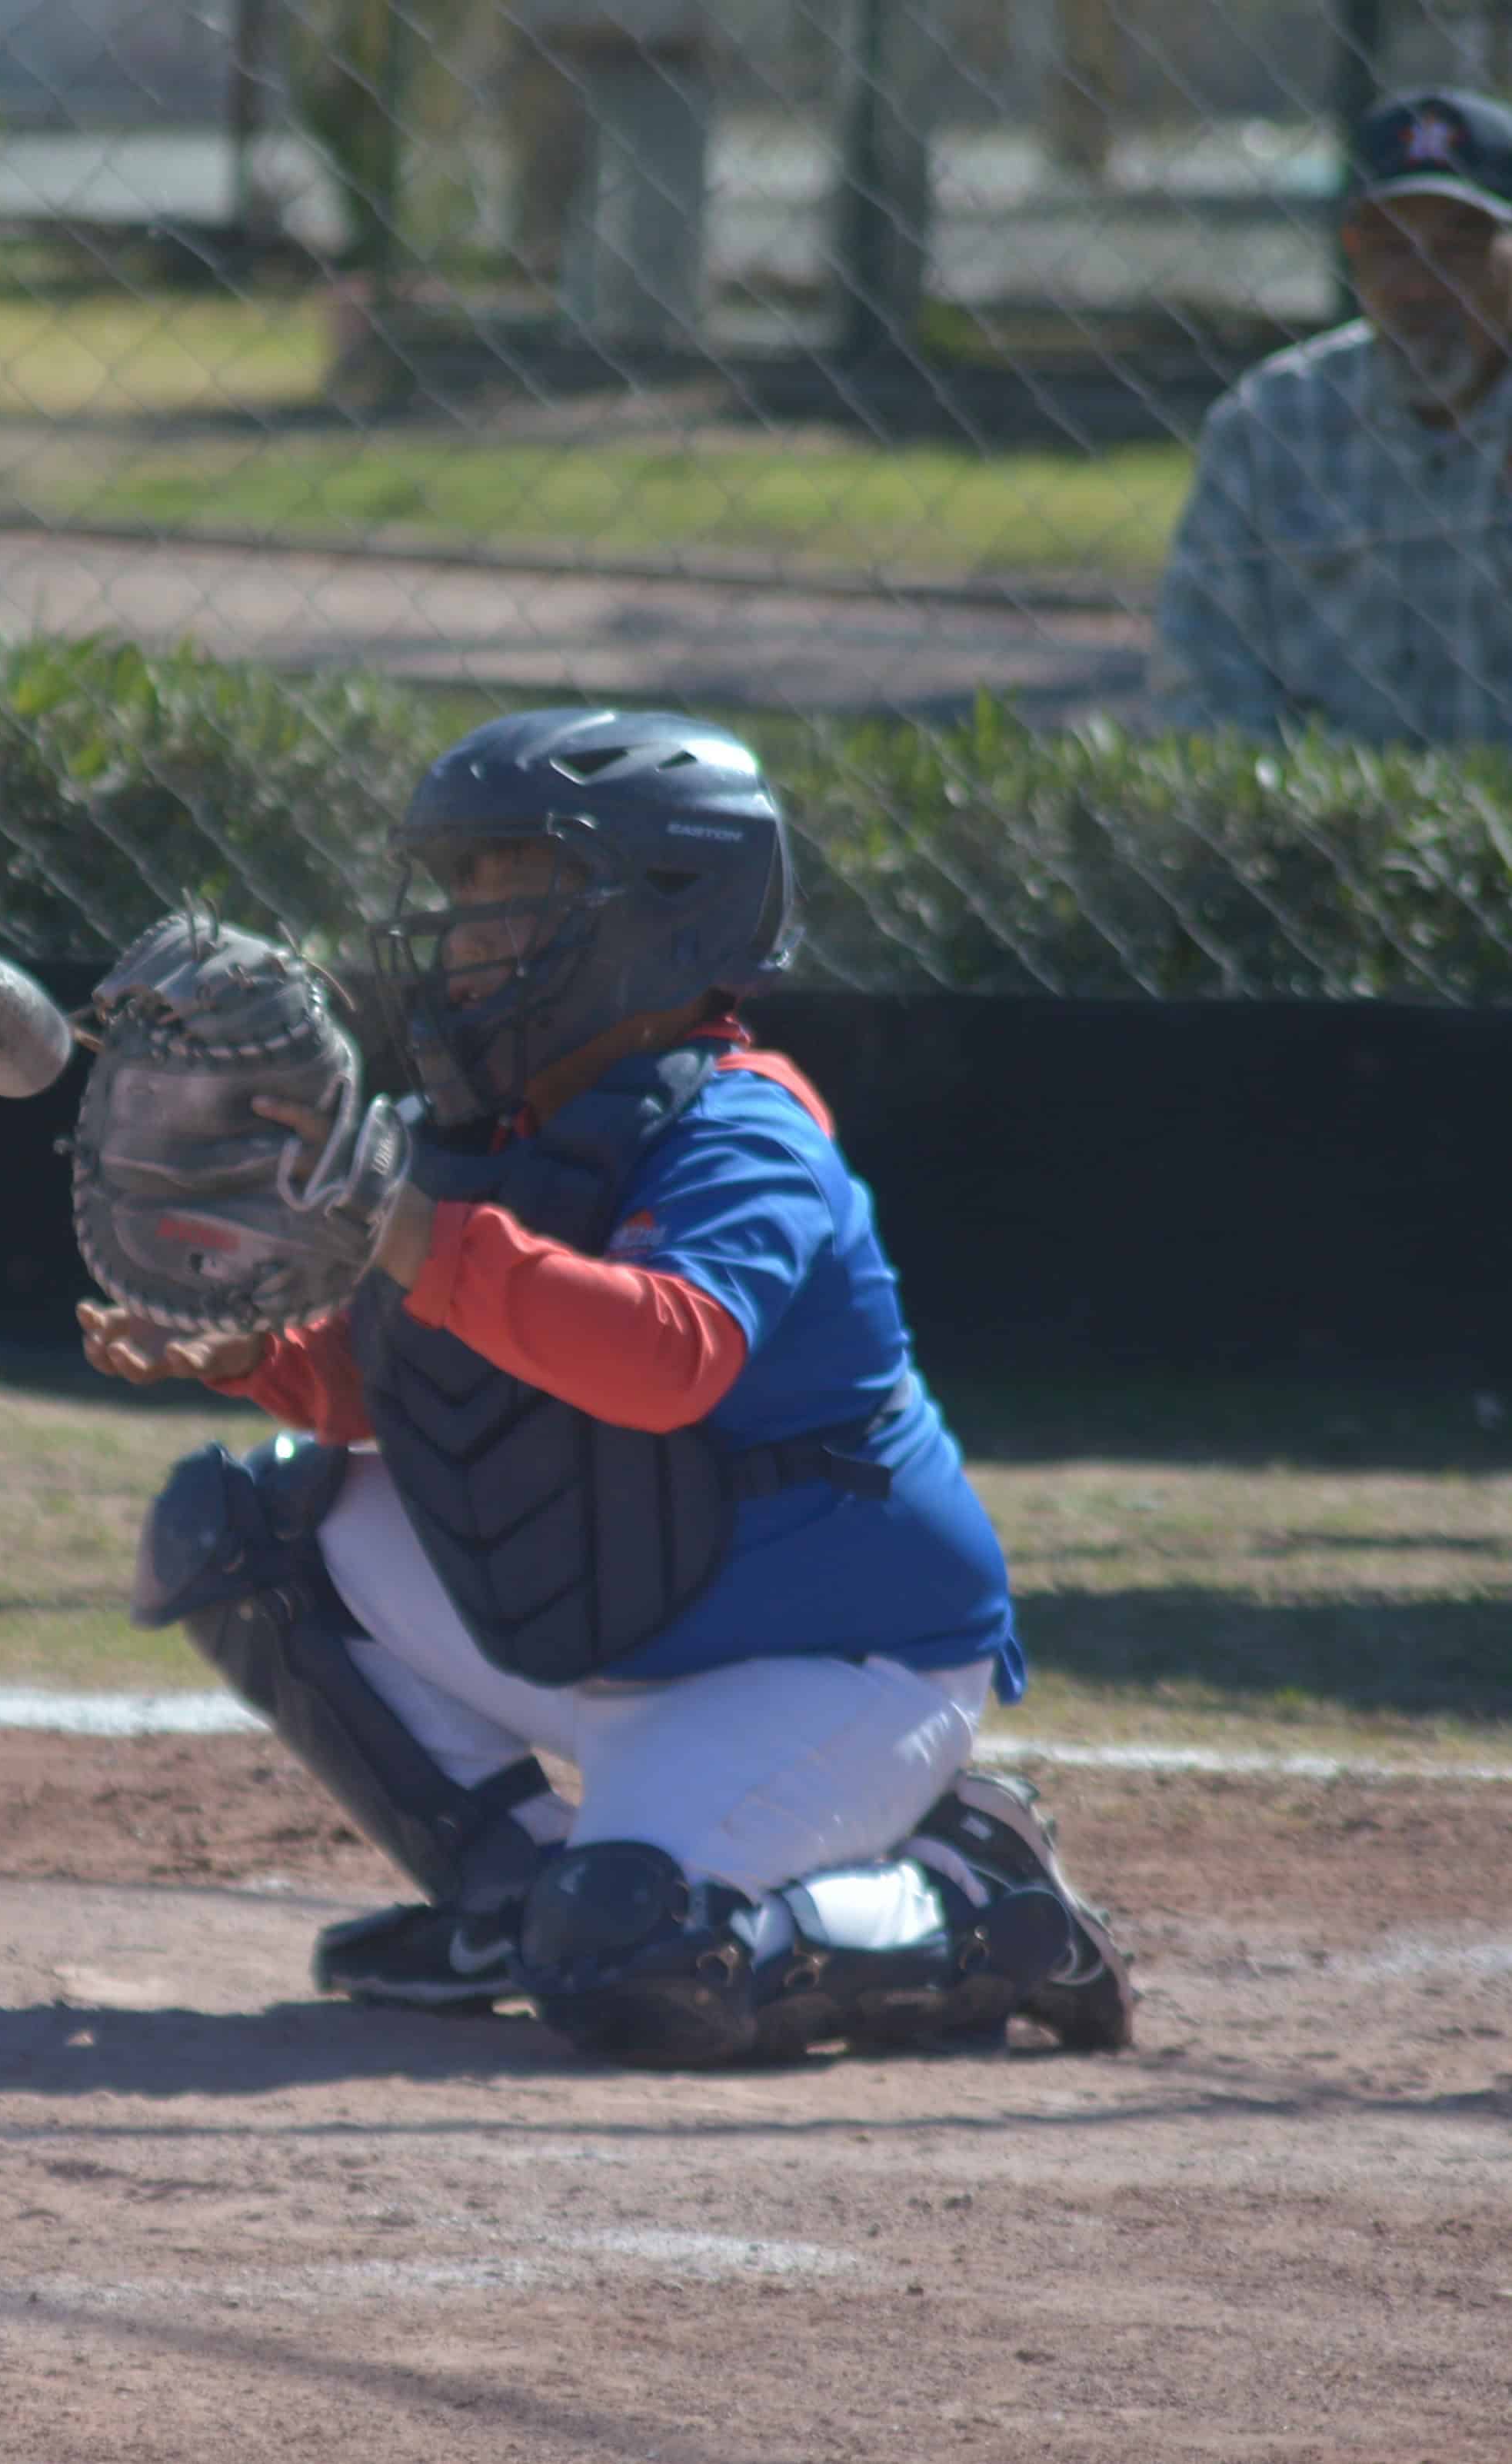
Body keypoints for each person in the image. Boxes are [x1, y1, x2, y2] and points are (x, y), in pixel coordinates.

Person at [81, 708, 1134, 2068]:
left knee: (639, 1962)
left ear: (670, 915)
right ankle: (510, 1890)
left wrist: (397, 1219)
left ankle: (973, 1898)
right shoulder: (490, 1129)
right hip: (629, 1603)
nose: (463, 936)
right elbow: (405, 1389)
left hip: (827, 1664)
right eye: (458, 894)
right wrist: (248, 1353)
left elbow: (660, 1357)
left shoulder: (743, 1130)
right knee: (247, 1526)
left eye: (513, 893)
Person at [1153, 89, 1512, 744]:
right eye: (1388, 246)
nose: (1416, 283)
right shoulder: (1269, 420)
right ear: (1349, 250)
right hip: (1314, 833)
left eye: (1457, 248)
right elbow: (1201, 677)